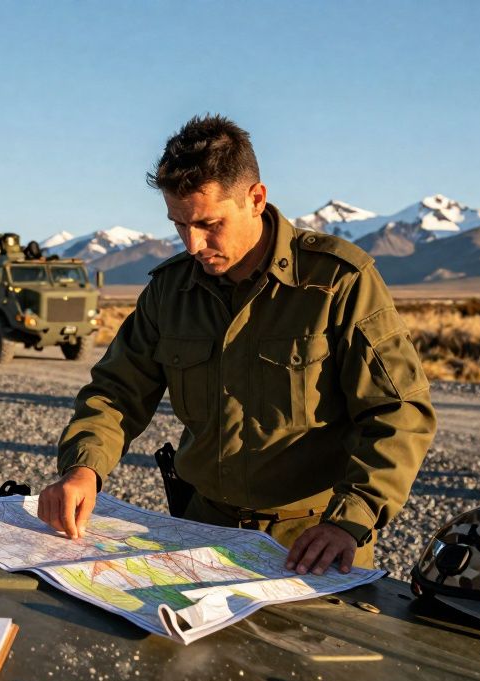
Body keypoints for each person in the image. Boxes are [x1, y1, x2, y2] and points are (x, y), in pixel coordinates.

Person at [37, 115, 436, 574]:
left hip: (310, 545)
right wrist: (83, 469)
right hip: (200, 531)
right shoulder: (171, 291)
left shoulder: (336, 282)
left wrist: (350, 521)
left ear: (256, 199)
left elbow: (400, 413)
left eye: (208, 224)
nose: (192, 245)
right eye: (179, 225)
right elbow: (115, 393)